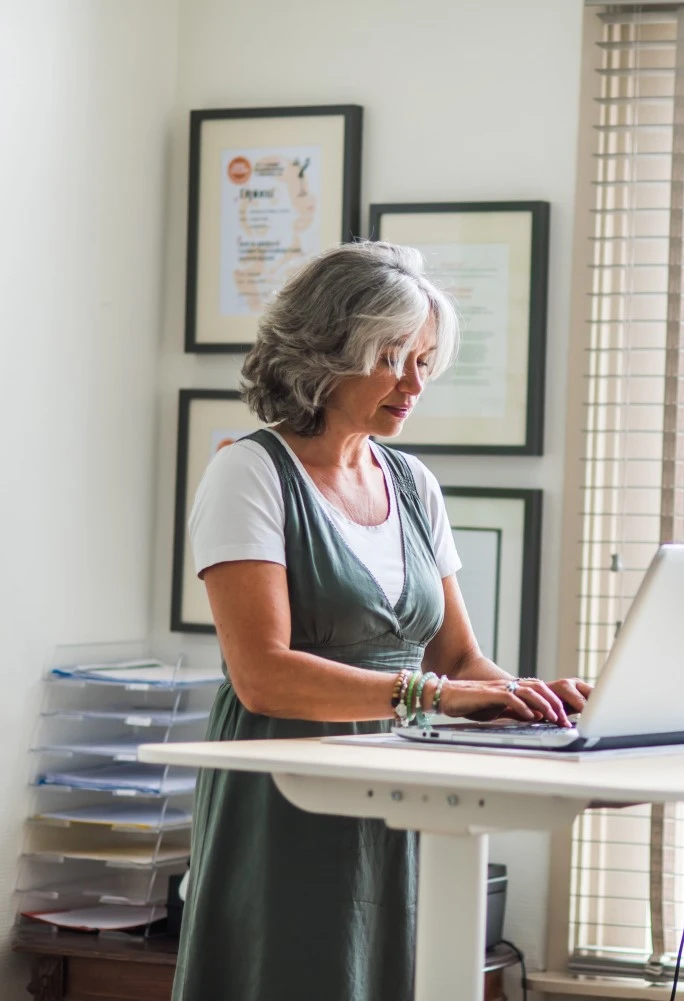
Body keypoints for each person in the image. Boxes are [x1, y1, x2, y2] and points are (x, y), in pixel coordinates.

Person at [173, 241, 592, 1001]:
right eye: (393, 357)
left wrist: (529, 698)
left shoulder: (411, 481)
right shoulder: (249, 473)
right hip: (290, 793)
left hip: (408, 790)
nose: (414, 383)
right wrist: (432, 697)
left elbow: (461, 659)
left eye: (426, 360)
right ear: (328, 350)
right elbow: (262, 676)